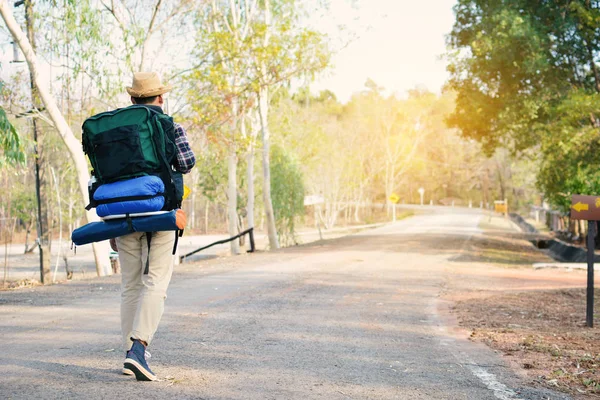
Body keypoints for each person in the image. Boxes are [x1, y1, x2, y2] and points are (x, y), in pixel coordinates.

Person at [109, 72, 195, 381]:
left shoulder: (116, 130)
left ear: (132, 99)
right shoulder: (169, 125)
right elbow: (186, 162)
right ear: (159, 98)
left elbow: (106, 176)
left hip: (124, 214)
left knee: (130, 284)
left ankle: (128, 353)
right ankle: (138, 350)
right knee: (156, 282)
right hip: (162, 212)